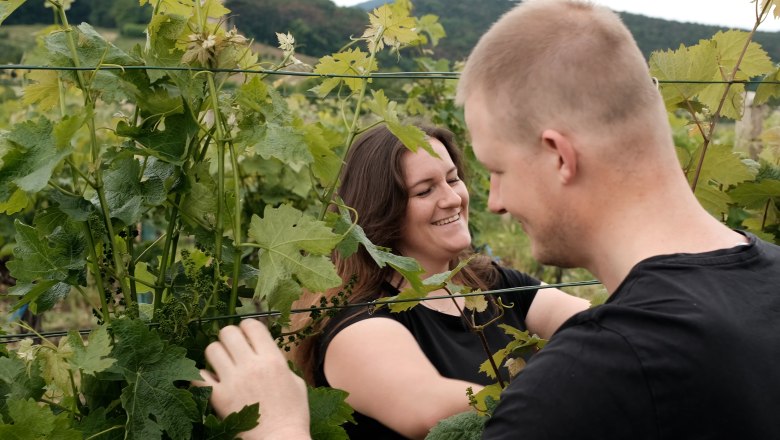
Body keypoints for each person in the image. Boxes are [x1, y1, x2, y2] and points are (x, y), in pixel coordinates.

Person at [195, 1, 780, 439]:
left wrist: (276, 429)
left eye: (481, 171)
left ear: (558, 155)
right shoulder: (754, 291)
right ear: (383, 210)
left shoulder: (577, 377)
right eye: (426, 187)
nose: (486, 199)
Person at [287, 124, 588, 439]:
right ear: (382, 209)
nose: (452, 198)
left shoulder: (489, 282)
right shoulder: (358, 324)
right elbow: (428, 409)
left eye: (452, 178)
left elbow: (601, 326)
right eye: (424, 190)